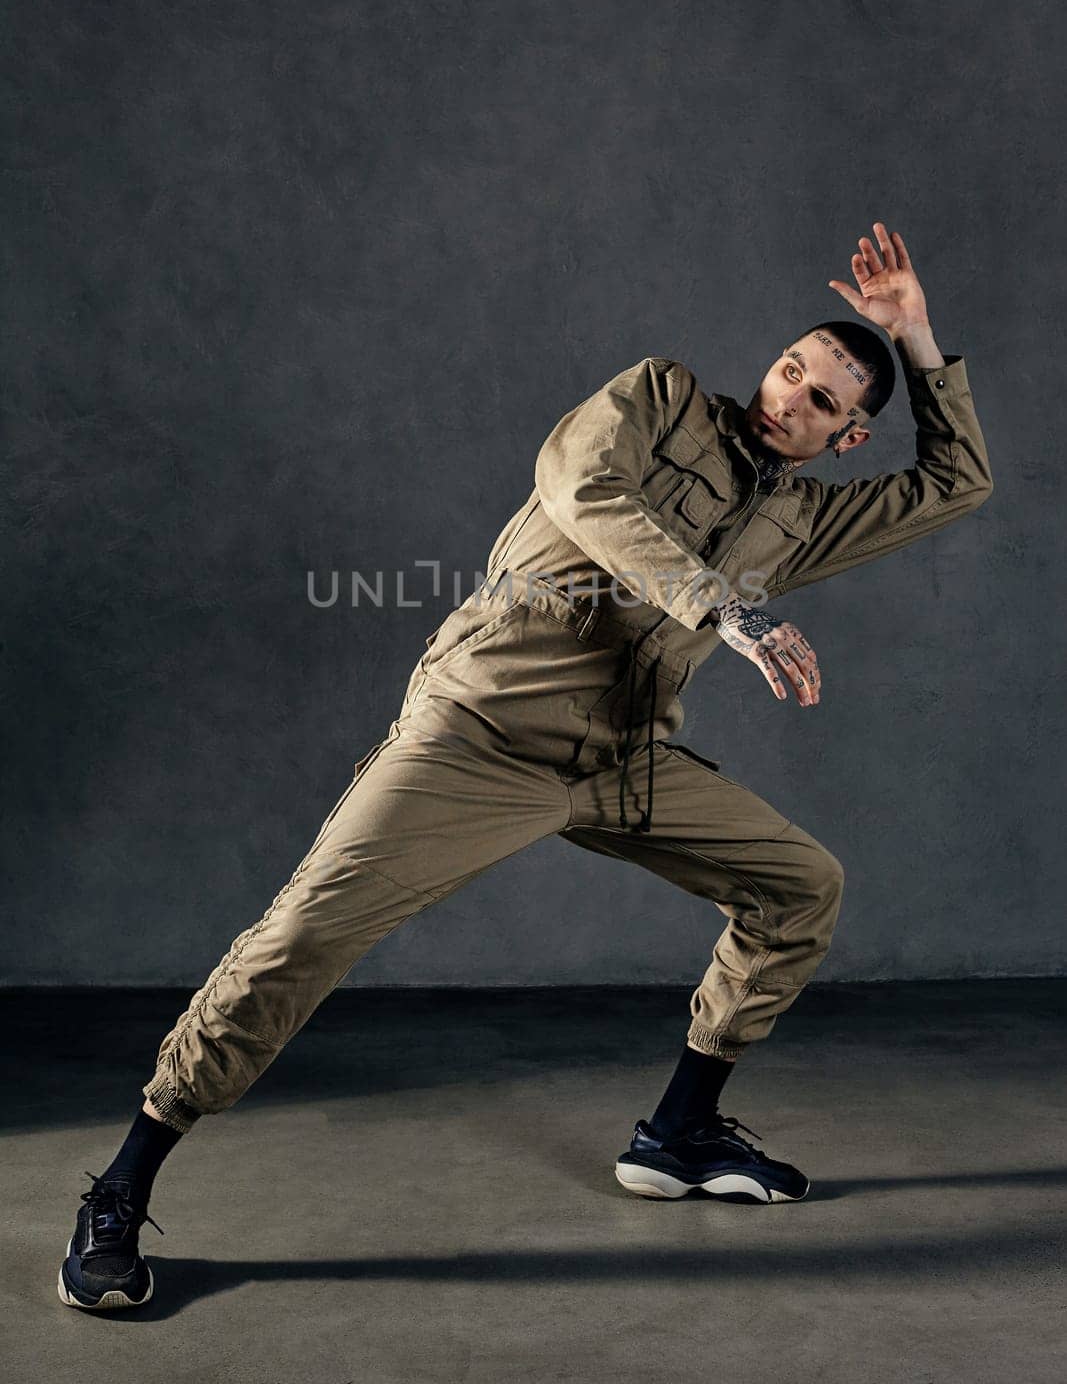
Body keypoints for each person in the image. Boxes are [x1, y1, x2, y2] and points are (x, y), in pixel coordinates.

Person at [59, 222, 993, 1311]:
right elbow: (576, 484)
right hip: (480, 734)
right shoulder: (657, 398)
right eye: (790, 368)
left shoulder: (806, 517)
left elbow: (957, 481)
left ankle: (679, 1129)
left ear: (845, 438)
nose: (789, 396)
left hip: (622, 759)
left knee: (800, 887)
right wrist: (717, 603)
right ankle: (122, 1186)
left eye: (823, 402)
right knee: (300, 935)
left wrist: (917, 337)